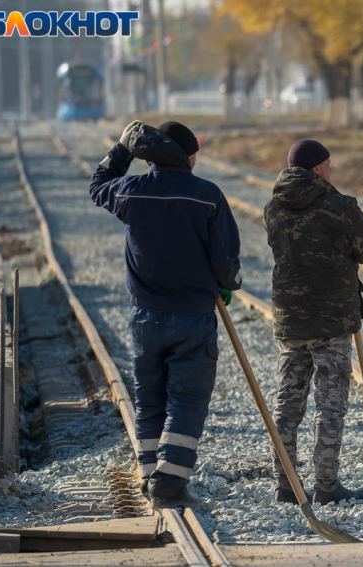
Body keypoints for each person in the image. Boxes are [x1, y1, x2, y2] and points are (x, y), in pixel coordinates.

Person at [90, 120, 242, 509]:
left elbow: (98, 185)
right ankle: (170, 484)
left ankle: (149, 476)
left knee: (149, 398)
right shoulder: (207, 195)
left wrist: (122, 149)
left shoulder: (131, 190)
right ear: (188, 156)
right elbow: (226, 261)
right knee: (187, 400)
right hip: (192, 318)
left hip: (145, 318)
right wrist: (228, 284)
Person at [264, 139, 363, 505]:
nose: (331, 171)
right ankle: (326, 486)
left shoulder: (274, 207)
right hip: (331, 321)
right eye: (328, 165)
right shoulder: (340, 207)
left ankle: (285, 483)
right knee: (330, 406)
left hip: (289, 319)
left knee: (288, 403)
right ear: (316, 168)